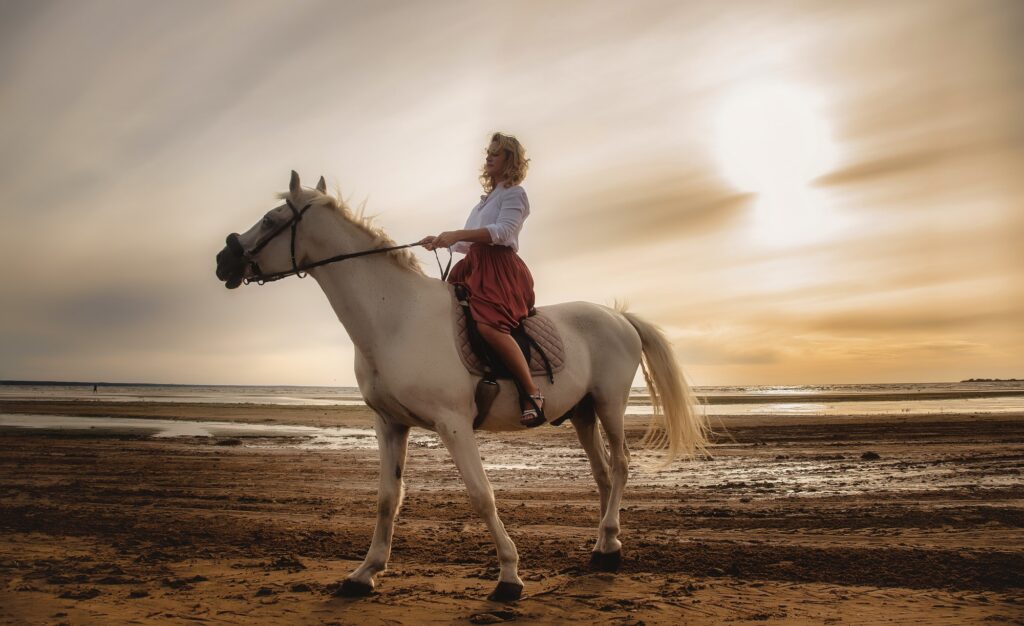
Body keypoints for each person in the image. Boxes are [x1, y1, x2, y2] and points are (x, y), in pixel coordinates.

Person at [419, 132, 545, 427]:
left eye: (496, 153)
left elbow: (503, 232)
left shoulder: (516, 194)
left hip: (499, 268)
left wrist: (457, 234)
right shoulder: (482, 203)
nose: (488, 157)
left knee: (489, 326)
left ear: (509, 160)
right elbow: (465, 245)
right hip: (474, 265)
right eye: (488, 152)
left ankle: (532, 392)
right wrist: (441, 241)